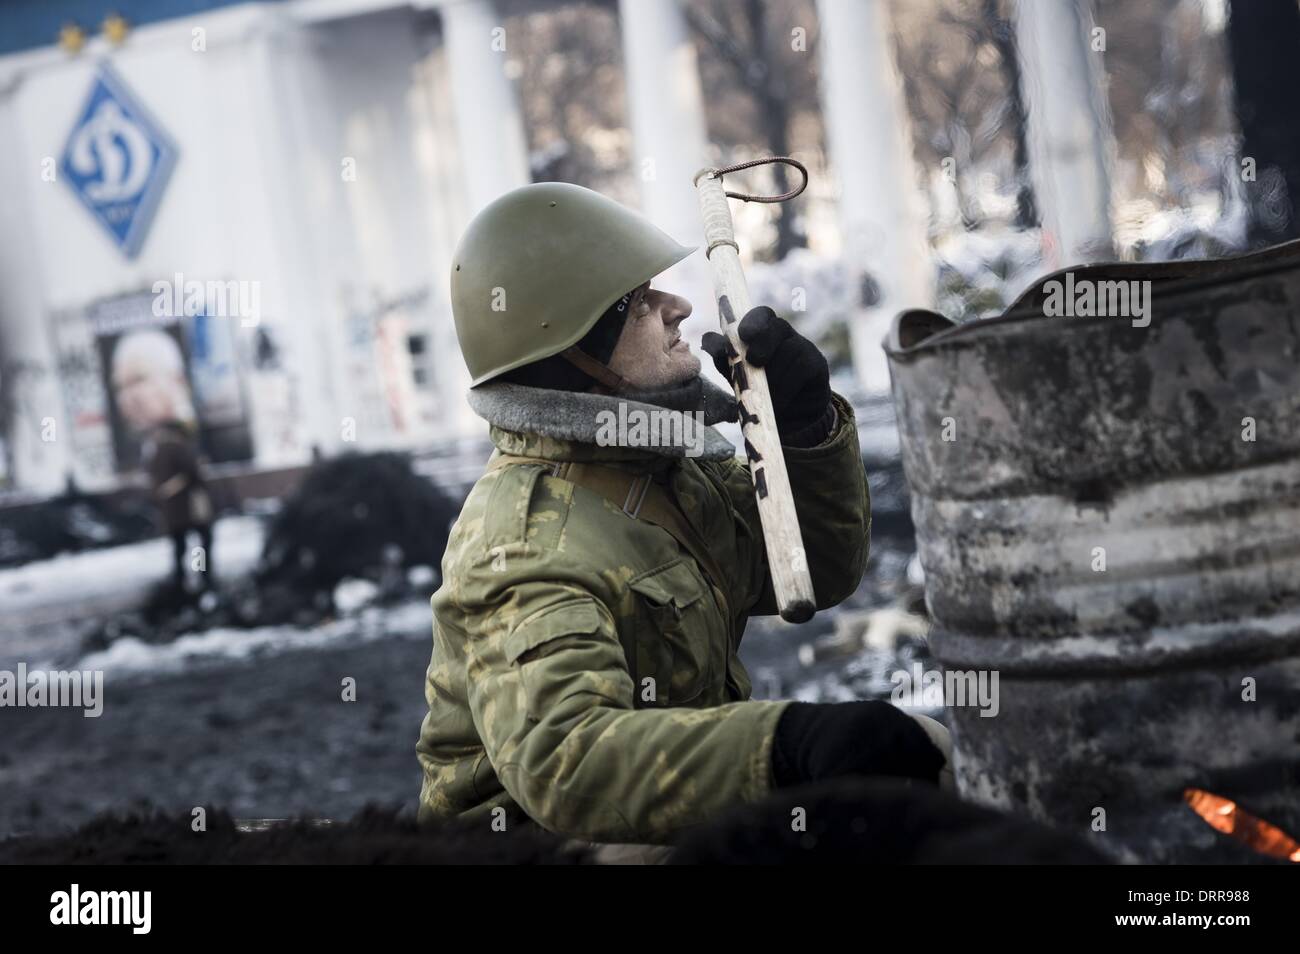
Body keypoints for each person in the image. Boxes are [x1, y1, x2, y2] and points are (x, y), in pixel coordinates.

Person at [416, 182, 951, 860]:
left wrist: (803, 427)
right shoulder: (522, 542)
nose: (678, 307)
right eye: (638, 301)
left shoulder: (660, 467)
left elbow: (814, 572)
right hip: (539, 848)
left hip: (651, 820)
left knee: (930, 763)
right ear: (574, 349)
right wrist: (784, 746)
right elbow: (565, 761)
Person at [110, 329, 215, 591]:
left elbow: (189, 475)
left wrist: (168, 491)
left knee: (190, 546)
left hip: (182, 511)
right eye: (121, 387)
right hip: (184, 511)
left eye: (139, 380)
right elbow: (194, 474)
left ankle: (193, 578)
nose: (130, 397)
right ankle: (196, 579)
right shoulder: (163, 444)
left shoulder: (167, 444)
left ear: (176, 380)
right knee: (194, 545)